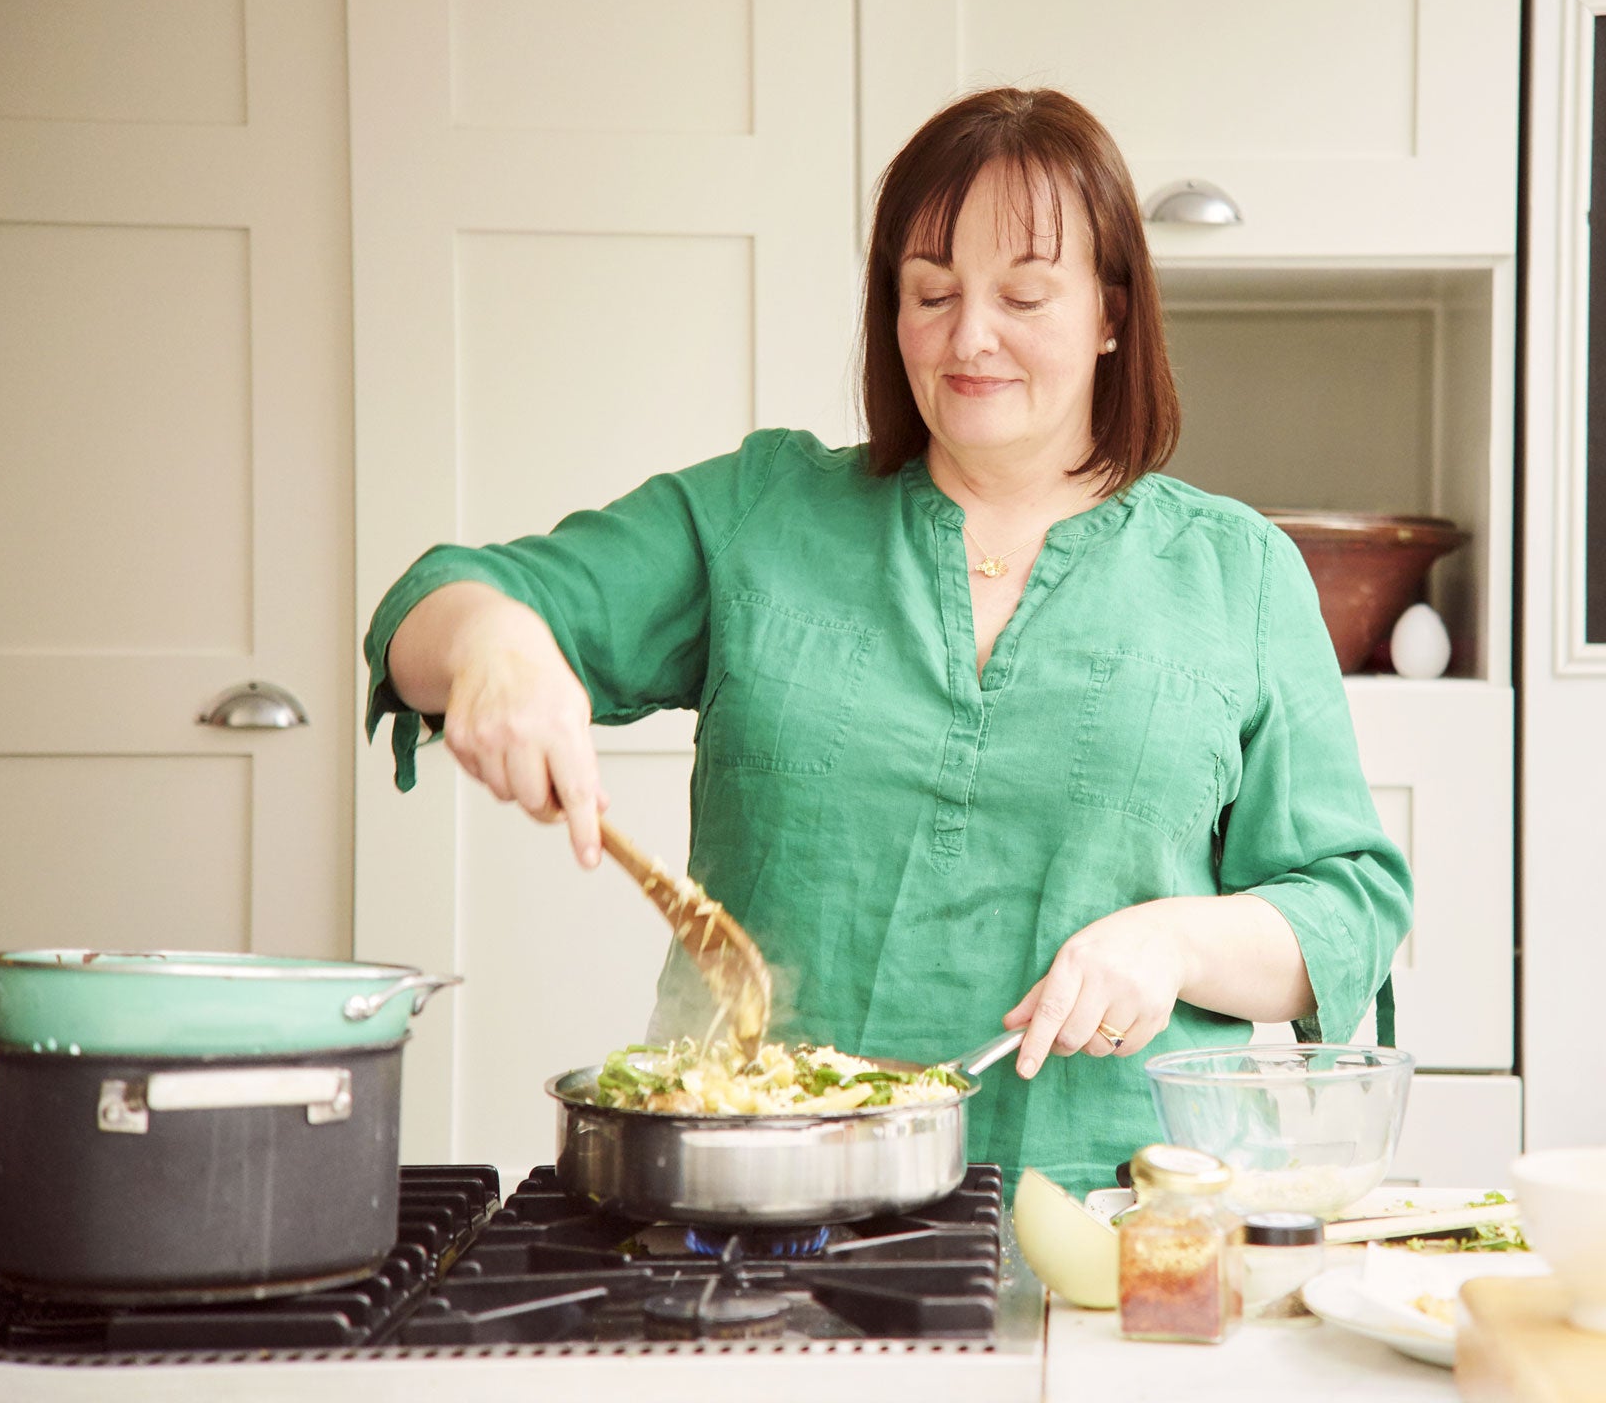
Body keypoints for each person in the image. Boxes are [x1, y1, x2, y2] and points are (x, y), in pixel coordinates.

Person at [363, 87, 1412, 1193]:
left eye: (1022, 294)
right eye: (930, 292)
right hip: (756, 1198)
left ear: (1110, 312)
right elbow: (439, 601)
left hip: (1119, 1228)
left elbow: (1345, 907)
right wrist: (495, 649)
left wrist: (1176, 942)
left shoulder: (1235, 572)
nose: (969, 337)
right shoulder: (761, 517)